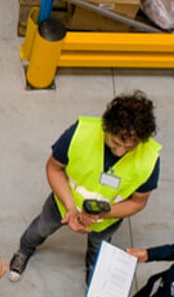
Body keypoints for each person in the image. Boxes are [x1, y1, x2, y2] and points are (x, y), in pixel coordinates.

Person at [9, 91, 161, 285]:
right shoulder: (80, 133)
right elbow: (54, 169)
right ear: (107, 127)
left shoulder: (149, 159)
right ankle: (25, 249)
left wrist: (100, 215)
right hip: (63, 204)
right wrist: (71, 208)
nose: (121, 151)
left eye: (129, 147)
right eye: (115, 143)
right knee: (41, 228)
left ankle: (93, 268)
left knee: (99, 248)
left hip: (107, 219)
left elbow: (138, 202)